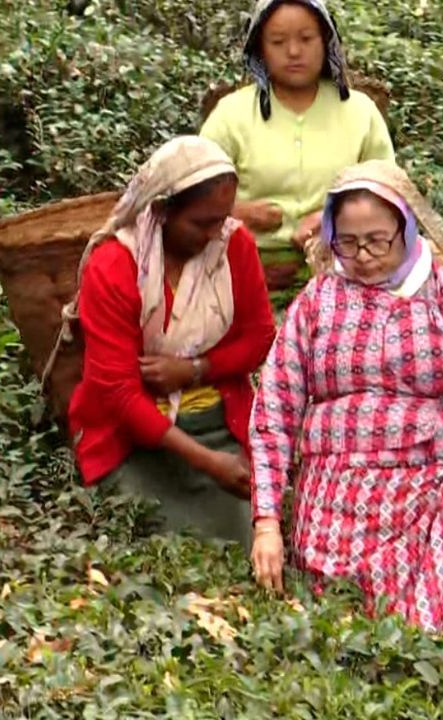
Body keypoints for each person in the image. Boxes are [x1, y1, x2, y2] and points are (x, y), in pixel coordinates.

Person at [247, 160, 443, 653]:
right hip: (331, 516)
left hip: (435, 506)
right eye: (348, 241)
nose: (363, 256)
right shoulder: (319, 299)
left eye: (378, 240)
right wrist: (267, 523)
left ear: (407, 226)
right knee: (343, 659)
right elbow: (275, 410)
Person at [65, 136, 277, 549]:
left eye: (223, 218)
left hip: (215, 422)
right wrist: (210, 464)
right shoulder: (114, 266)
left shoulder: (234, 245)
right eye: (201, 223)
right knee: (153, 537)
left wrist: (197, 369)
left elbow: (259, 337)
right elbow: (119, 393)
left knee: (240, 539)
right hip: (134, 439)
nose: (215, 232)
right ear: (161, 211)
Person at [201, 0, 395, 302]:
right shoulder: (231, 115)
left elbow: (390, 191)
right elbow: (188, 199)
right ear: (261, 49)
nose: (293, 52)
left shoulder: (360, 112)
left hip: (349, 276)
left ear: (326, 41)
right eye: (278, 42)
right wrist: (237, 213)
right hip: (236, 281)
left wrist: (331, 217)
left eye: (306, 39)